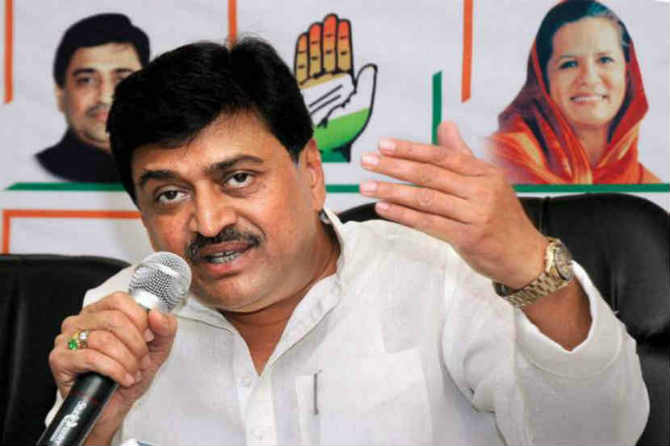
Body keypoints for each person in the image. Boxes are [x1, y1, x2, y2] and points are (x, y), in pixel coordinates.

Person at [46, 37, 648, 445]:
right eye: (170, 194)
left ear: (311, 172)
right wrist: (98, 428)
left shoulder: (439, 274)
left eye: (238, 178)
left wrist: (531, 270)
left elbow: (599, 435)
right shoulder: (121, 315)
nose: (206, 222)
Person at [486, 0, 660, 184]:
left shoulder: (649, 185)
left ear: (628, 73)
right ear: (542, 80)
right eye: (569, 64)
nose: (589, 78)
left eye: (605, 60)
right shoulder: (498, 162)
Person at [35, 13, 149, 183]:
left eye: (123, 80)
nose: (105, 97)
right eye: (87, 80)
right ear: (60, 95)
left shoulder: (167, 168)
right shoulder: (36, 170)